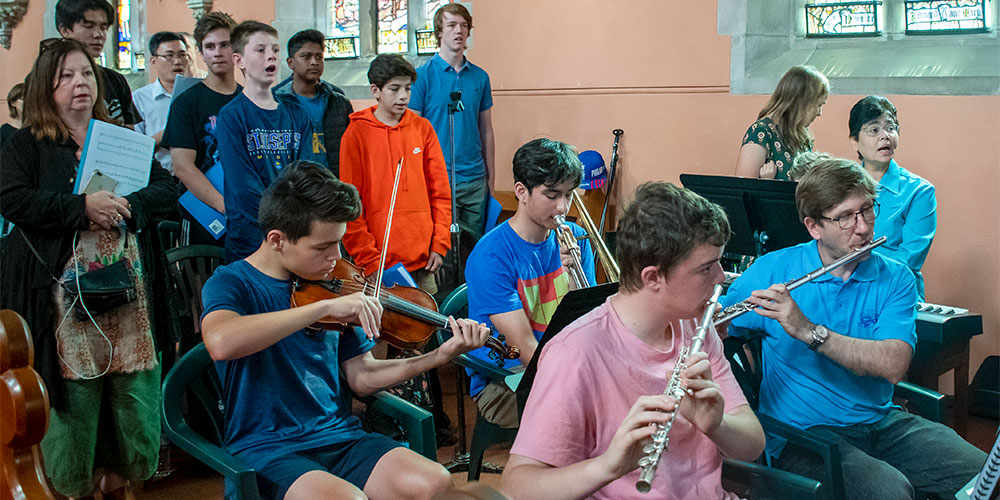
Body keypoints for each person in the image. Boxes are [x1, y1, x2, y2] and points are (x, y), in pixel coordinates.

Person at [200, 161, 490, 500]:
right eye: (322, 247)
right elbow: (221, 342)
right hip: (267, 447)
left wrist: (439, 356)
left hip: (338, 436)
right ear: (277, 239)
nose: (334, 257)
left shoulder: (335, 283)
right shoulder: (233, 282)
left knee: (435, 482)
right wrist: (322, 309)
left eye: (338, 244)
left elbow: (362, 376)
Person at [721, 158, 986, 499]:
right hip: (804, 436)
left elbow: (893, 365)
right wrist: (716, 327)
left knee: (985, 477)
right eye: (845, 217)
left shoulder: (896, 278)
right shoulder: (772, 271)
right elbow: (718, 335)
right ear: (814, 227)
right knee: (890, 491)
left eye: (867, 210)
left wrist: (809, 331)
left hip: (882, 422)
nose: (862, 228)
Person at [500, 182, 765, 499]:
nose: (721, 277)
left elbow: (752, 445)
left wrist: (717, 426)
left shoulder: (696, 324)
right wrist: (609, 467)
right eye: (707, 268)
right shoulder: (575, 353)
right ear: (652, 277)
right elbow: (517, 487)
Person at [0, 38, 176, 499]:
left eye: (85, 74)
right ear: (45, 86)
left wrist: (124, 205)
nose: (79, 83)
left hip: (128, 297)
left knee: (131, 396)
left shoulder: (118, 135)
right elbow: (12, 198)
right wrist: (81, 207)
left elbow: (166, 189)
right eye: (66, 76)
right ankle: (72, 487)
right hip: (62, 299)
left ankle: (122, 481)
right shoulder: (28, 144)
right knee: (73, 403)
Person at [464, 138, 596, 429]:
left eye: (569, 194)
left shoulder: (576, 237)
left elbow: (589, 322)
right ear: (522, 192)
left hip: (565, 364)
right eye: (551, 195)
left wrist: (572, 276)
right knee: (594, 413)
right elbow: (524, 348)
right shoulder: (491, 256)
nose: (563, 207)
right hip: (506, 380)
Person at [339, 53, 451, 295]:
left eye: (408, 89)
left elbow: (440, 193)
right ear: (375, 91)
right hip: (377, 265)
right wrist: (368, 259)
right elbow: (350, 204)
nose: (403, 96)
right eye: (394, 89)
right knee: (380, 330)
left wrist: (440, 243)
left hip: (423, 262)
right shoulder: (356, 133)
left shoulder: (423, 128)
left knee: (427, 328)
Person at [217, 20, 313, 263]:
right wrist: (281, 223)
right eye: (261, 50)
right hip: (251, 238)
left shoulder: (297, 114)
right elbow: (243, 187)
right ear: (239, 60)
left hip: (294, 235)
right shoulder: (232, 115)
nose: (271, 56)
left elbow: (306, 174)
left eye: (275, 50)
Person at [409, 2, 495, 243]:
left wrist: (491, 179)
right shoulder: (422, 77)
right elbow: (413, 133)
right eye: (451, 25)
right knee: (440, 250)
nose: (458, 31)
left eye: (464, 26)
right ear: (439, 32)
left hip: (474, 178)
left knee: (474, 248)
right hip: (437, 177)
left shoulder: (480, 77)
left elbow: (486, 130)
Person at [162, 12, 241, 246]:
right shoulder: (187, 102)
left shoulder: (249, 100)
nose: (217, 52)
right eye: (210, 46)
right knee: (200, 281)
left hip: (246, 213)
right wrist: (224, 205)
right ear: (201, 53)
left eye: (225, 45)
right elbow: (182, 166)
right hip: (203, 214)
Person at [849, 95, 936, 300]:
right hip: (847, 288)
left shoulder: (920, 192)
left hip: (896, 293)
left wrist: (852, 261)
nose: (885, 136)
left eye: (891, 128)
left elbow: (908, 259)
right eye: (874, 130)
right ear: (855, 141)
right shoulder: (841, 186)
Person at [272, 28, 354, 174]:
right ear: (291, 63)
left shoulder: (338, 101)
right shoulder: (276, 101)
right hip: (292, 185)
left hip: (331, 183)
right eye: (306, 56)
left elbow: (351, 148)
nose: (314, 62)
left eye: (318, 57)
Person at [54, 0, 140, 127]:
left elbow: (128, 129)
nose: (99, 34)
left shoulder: (115, 80)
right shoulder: (47, 77)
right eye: (89, 26)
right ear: (65, 30)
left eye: (104, 27)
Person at [734, 65, 828, 180]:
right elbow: (744, 190)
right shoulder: (761, 132)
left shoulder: (802, 136)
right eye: (818, 105)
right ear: (802, 102)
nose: (819, 113)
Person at [132, 31, 190, 173]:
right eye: (169, 56)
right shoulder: (139, 98)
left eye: (182, 55)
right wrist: (169, 133)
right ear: (154, 61)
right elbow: (135, 150)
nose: (177, 61)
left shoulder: (198, 94)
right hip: (162, 176)